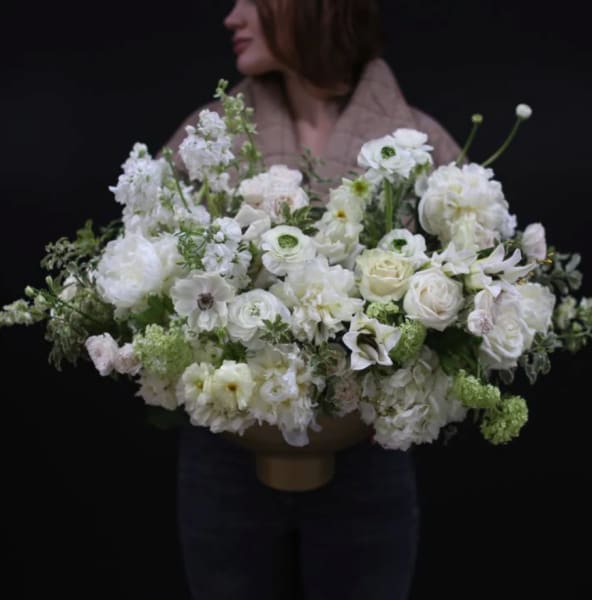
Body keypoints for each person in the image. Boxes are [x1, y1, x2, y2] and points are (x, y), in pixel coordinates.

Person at [162, 1, 462, 599]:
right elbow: (148, 276)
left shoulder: (417, 142)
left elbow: (478, 291)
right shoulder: (210, 137)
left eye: (251, 1)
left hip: (367, 456)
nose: (231, 17)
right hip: (227, 453)